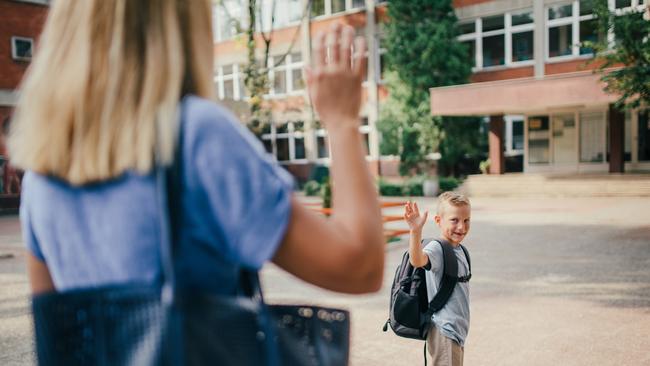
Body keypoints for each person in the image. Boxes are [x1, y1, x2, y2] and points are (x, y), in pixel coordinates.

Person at [9, 0, 383, 317]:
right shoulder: (195, 136)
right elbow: (358, 267)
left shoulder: (43, 169)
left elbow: (60, 337)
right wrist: (342, 121)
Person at [403, 192, 472, 366]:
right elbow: (417, 260)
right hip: (445, 330)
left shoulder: (460, 249)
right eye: (454, 220)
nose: (461, 227)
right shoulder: (437, 248)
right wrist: (415, 232)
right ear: (438, 221)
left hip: (456, 331)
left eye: (466, 220)